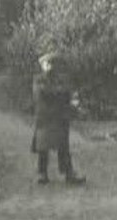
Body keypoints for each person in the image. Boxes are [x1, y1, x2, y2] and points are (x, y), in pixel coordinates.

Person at [30, 52, 84, 185]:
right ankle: (42, 174)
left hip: (59, 117)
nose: (50, 67)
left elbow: (66, 93)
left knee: (63, 147)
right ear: (42, 65)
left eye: (52, 64)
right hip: (45, 117)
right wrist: (61, 94)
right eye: (47, 64)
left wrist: (69, 100)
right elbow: (46, 93)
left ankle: (69, 173)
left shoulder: (60, 80)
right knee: (43, 147)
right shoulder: (39, 80)